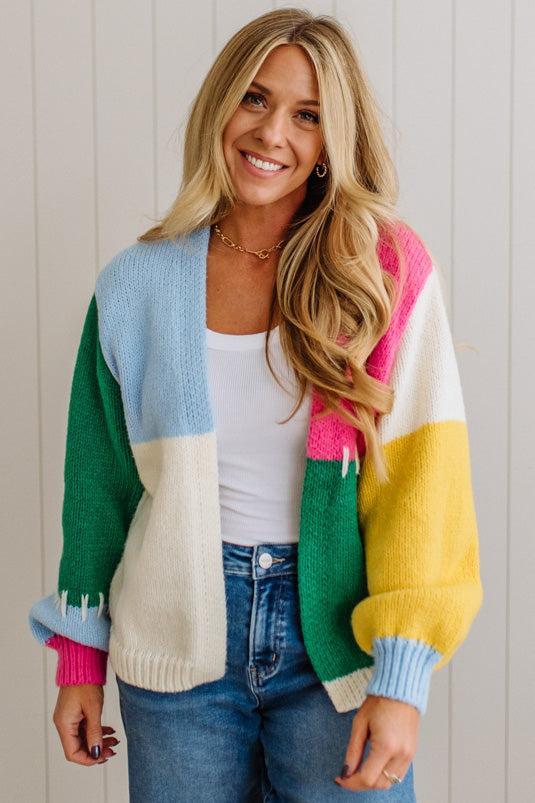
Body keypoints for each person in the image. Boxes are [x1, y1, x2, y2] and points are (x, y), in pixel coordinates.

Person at [28, 8, 483, 801]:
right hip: (175, 640)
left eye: (307, 114)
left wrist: (403, 674)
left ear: (331, 138)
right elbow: (97, 488)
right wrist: (78, 660)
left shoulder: (378, 270)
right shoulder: (136, 284)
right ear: (220, 104)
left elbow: (424, 488)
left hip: (335, 645)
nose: (272, 133)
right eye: (255, 98)